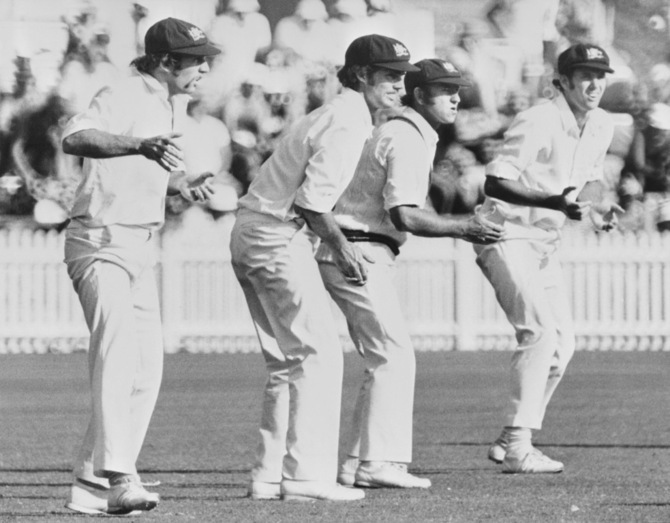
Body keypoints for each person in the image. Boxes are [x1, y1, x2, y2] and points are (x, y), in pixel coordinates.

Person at [229, 34, 419, 502]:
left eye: (402, 77)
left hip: (252, 230)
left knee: (287, 361)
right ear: (360, 75)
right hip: (277, 233)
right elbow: (313, 204)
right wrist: (342, 247)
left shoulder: (335, 112)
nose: (399, 85)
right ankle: (307, 477)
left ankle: (270, 475)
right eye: (389, 76)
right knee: (318, 355)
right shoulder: (350, 120)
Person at [315, 59, 505, 489]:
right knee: (392, 355)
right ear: (419, 95)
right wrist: (466, 226)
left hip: (356, 248)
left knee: (386, 355)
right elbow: (406, 216)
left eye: (457, 88)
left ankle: (356, 463)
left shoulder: (405, 131)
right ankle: (378, 462)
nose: (456, 97)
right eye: (444, 90)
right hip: (356, 250)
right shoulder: (406, 135)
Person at [60, 18, 219, 515]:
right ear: (167, 62)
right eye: (197, 60)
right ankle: (120, 476)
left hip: (138, 246)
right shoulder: (129, 91)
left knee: (147, 369)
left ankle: (90, 484)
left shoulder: (171, 102)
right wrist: (140, 144)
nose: (206, 67)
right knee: (118, 354)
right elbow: (75, 137)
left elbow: (134, 172)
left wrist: (180, 186)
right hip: (100, 240)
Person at [475, 43, 623, 473]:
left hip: (544, 240)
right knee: (538, 332)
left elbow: (590, 181)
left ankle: (509, 438)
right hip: (504, 232)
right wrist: (557, 202)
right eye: (584, 75)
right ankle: (521, 446)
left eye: (600, 74)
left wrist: (596, 207)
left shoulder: (600, 124)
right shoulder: (538, 118)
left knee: (562, 348)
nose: (594, 83)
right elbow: (497, 182)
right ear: (562, 80)